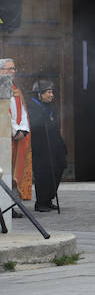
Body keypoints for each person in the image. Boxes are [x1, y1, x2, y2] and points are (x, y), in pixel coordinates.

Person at [27, 79, 66, 212]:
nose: (51, 95)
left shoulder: (50, 107)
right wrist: (43, 114)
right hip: (41, 146)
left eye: (51, 92)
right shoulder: (32, 107)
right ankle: (41, 202)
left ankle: (49, 198)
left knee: (59, 168)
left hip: (54, 144)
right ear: (39, 94)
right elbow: (35, 125)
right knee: (43, 173)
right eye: (48, 92)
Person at [3, 59, 32, 210]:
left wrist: (22, 130)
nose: (13, 71)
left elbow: (23, 112)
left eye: (14, 68)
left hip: (17, 138)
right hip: (4, 137)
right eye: (9, 69)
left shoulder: (16, 90)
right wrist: (14, 130)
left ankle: (10, 207)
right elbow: (3, 114)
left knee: (12, 175)